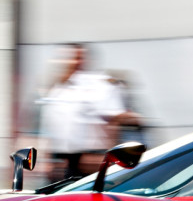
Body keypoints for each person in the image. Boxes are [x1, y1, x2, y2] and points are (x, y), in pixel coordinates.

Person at [38, 44, 136, 180]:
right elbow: (52, 129)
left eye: (76, 58)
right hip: (61, 162)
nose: (71, 62)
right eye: (65, 58)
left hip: (89, 161)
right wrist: (48, 160)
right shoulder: (56, 90)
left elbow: (115, 119)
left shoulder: (99, 85)